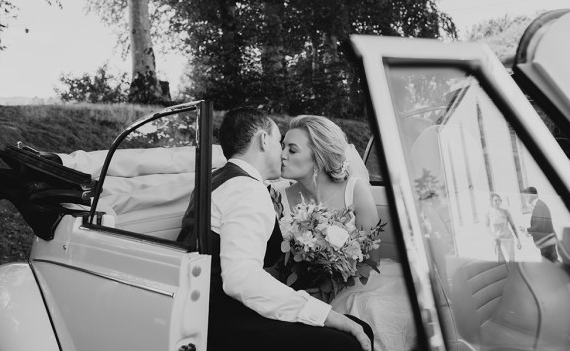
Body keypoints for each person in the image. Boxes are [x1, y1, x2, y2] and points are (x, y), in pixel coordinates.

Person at [177, 107, 372, 351]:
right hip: (218, 319)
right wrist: (323, 314)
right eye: (280, 142)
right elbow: (241, 279)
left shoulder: (215, 180)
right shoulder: (247, 189)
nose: (282, 153)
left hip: (195, 310)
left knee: (354, 326)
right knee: (350, 339)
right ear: (264, 139)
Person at [280, 115, 415, 351]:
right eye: (282, 147)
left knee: (368, 309)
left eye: (291, 150)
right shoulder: (280, 197)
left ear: (318, 157)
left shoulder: (354, 190)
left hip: (355, 285)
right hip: (302, 288)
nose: (282, 155)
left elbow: (371, 259)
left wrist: (331, 280)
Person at [483, 193, 522, 262]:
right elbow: (486, 226)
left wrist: (518, 239)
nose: (498, 202)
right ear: (491, 201)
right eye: (495, 200)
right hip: (497, 240)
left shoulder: (505, 211)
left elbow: (513, 226)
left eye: (499, 200)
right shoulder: (488, 213)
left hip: (508, 239)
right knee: (501, 262)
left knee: (511, 260)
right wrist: (493, 235)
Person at [523, 186, 557, 262]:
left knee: (550, 265)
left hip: (546, 241)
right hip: (547, 240)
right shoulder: (539, 204)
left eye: (527, 196)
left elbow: (539, 226)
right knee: (553, 263)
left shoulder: (539, 206)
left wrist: (527, 230)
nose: (526, 199)